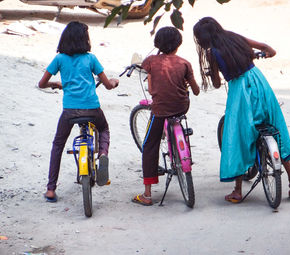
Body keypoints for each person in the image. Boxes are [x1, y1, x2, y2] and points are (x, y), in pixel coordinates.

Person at [193, 17, 290, 203]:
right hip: (258, 81)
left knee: (236, 136)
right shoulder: (235, 37)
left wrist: (213, 73)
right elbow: (269, 49)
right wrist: (263, 54)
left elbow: (217, 84)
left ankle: (237, 190)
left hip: (239, 91)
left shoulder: (212, 53)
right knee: (274, 126)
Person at [38, 21, 119, 202]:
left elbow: (41, 83)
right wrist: (114, 81)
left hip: (70, 111)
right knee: (103, 129)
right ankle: (103, 154)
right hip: (92, 107)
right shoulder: (91, 58)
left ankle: (51, 189)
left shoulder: (59, 59)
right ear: (85, 39)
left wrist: (56, 84)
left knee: (58, 145)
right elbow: (107, 85)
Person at [132, 26, 200, 206]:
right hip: (181, 108)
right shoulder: (184, 63)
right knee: (176, 117)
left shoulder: (151, 61)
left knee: (149, 145)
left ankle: (147, 195)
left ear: (157, 44)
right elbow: (196, 90)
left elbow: (142, 70)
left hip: (160, 110)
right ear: (178, 45)